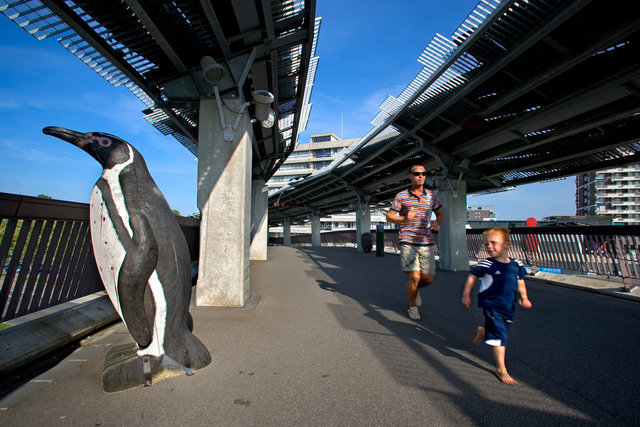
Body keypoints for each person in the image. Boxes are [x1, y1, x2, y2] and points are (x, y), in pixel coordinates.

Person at [461, 227, 532, 385]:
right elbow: (472, 276)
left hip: (508, 305)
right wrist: (466, 295)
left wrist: (524, 297)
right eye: (486, 244)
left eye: (494, 243)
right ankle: (501, 369)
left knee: (500, 330)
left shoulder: (516, 264)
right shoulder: (487, 264)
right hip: (491, 304)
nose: (489, 247)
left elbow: (520, 280)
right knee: (501, 336)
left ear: (507, 245)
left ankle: (484, 331)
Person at [386, 164, 444, 321]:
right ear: (410, 176)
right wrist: (404, 219)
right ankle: (412, 307)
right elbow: (389, 216)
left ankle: (415, 290)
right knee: (414, 277)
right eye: (417, 173)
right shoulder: (402, 196)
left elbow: (439, 214)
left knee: (428, 278)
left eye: (423, 173)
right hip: (408, 240)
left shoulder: (432, 196)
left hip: (426, 241)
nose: (420, 176)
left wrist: (437, 223)